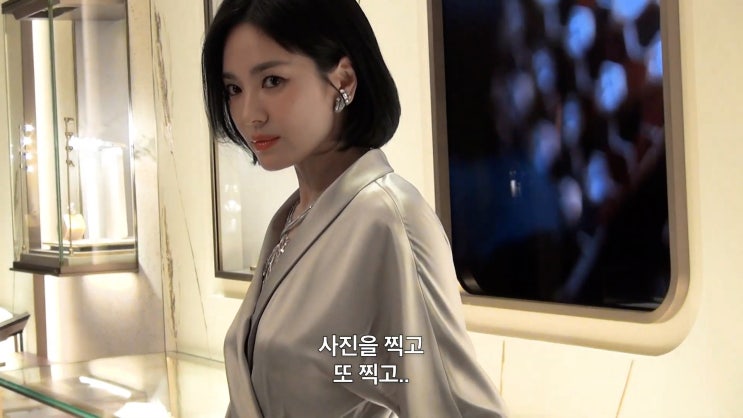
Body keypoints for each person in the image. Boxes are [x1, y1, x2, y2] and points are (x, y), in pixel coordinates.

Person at [202, 0, 508, 416]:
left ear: (343, 79)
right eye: (234, 89)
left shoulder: (388, 221)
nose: (249, 114)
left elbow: (455, 405)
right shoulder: (291, 220)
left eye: (272, 80)